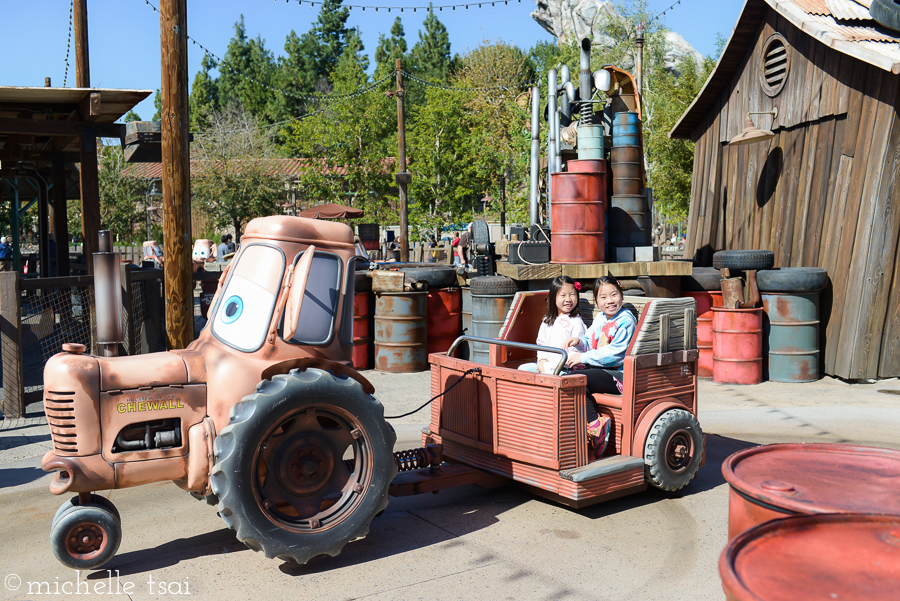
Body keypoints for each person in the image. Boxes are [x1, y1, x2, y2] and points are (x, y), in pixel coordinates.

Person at [564, 276, 637, 457]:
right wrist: (580, 342)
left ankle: (596, 426)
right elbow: (590, 342)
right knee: (566, 374)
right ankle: (575, 427)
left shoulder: (626, 320)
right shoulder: (600, 318)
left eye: (614, 295)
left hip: (619, 375)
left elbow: (616, 354)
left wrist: (584, 356)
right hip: (600, 370)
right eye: (603, 297)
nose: (610, 301)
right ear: (596, 301)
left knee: (576, 379)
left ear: (621, 295)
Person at [518, 276, 586, 374]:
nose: (568, 299)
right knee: (523, 369)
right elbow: (541, 343)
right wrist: (542, 360)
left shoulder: (576, 322)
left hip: (567, 368)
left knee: (548, 376)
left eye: (572, 294)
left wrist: (548, 366)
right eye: (563, 295)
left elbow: (575, 352)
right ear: (553, 297)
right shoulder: (547, 320)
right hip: (547, 364)